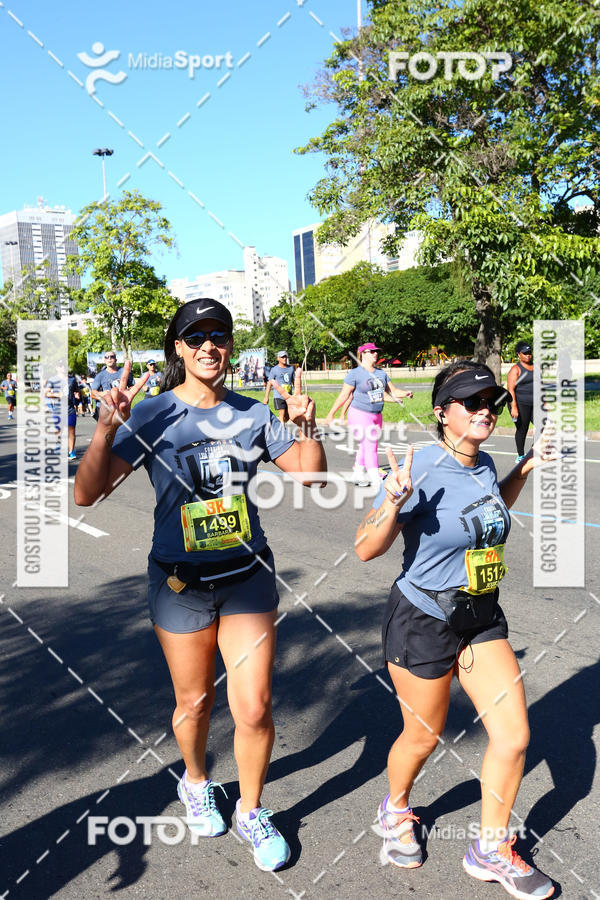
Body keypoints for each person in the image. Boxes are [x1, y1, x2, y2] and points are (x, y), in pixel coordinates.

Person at [74, 298, 326, 873]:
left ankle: (251, 811)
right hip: (180, 583)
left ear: (230, 346)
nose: (209, 345)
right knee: (195, 701)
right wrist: (105, 430)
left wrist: (305, 426)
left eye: (219, 335)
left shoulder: (253, 414)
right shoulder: (153, 414)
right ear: (179, 349)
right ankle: (194, 781)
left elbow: (313, 477)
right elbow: (86, 494)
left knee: (255, 707)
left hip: (246, 579)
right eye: (196, 337)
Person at [354, 360, 555, 900]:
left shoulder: (484, 462)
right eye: (472, 402)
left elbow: (484, 513)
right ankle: (396, 809)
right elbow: (365, 548)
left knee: (513, 736)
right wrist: (392, 501)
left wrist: (522, 471)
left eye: (491, 401)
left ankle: (490, 849)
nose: (486, 410)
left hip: (480, 613)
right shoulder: (420, 468)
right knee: (423, 736)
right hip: (423, 618)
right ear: (443, 414)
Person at [325, 342, 413, 486]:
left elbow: (392, 392)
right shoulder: (355, 373)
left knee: (365, 446)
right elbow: (344, 395)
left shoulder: (381, 373)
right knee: (371, 445)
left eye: (376, 351)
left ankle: (357, 474)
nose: (375, 353)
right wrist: (331, 414)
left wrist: (405, 393)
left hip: (377, 415)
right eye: (371, 351)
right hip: (359, 413)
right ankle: (374, 477)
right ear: (362, 354)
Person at [507, 341, 534, 463]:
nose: (528, 355)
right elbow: (510, 389)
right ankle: (521, 455)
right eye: (525, 353)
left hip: (534, 403)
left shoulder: (535, 367)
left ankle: (535, 450)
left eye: (529, 353)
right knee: (522, 429)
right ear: (519, 355)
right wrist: (514, 407)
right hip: (519, 403)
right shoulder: (516, 369)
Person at [91, 351, 134, 420]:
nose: (109, 358)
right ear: (104, 361)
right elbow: (93, 393)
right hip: (106, 408)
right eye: (107, 357)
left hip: (121, 406)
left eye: (112, 357)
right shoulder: (100, 375)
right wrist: (102, 394)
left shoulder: (124, 372)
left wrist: (125, 393)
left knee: (123, 426)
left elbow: (132, 387)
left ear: (116, 359)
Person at [263, 350, 295, 423]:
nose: (284, 358)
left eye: (285, 357)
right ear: (278, 358)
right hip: (278, 396)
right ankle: (282, 428)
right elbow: (269, 383)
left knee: (288, 416)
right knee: (281, 415)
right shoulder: (274, 369)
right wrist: (266, 397)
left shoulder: (291, 368)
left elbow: (294, 381)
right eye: (282, 357)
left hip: (288, 396)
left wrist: (297, 394)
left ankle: (277, 425)